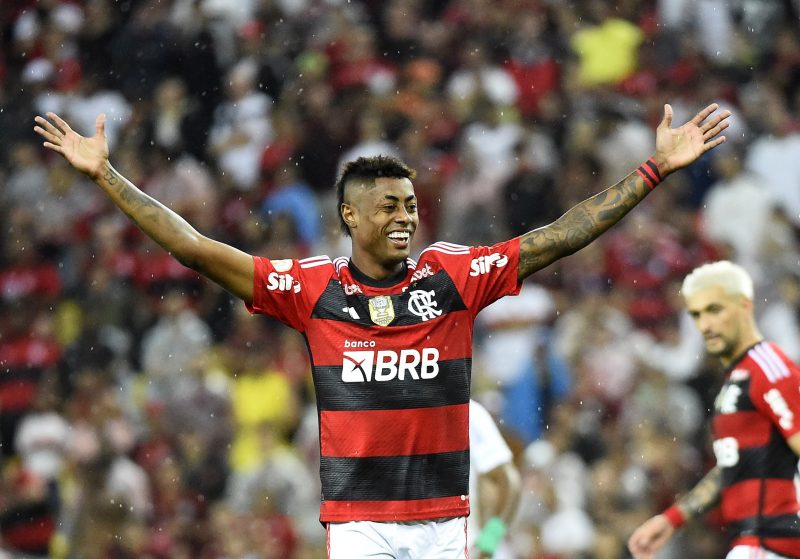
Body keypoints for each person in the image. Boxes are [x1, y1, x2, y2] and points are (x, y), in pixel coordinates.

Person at [33, 102, 729, 558]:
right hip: (359, 520)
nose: (406, 216)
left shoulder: (451, 276)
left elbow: (558, 237)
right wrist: (108, 177)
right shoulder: (311, 289)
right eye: (389, 206)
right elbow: (194, 248)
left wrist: (651, 171)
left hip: (442, 521)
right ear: (351, 218)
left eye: (411, 205)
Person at [628, 261, 800, 559]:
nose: (705, 325)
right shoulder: (735, 380)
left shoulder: (769, 370)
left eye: (715, 310)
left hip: (773, 544)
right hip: (753, 543)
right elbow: (736, 465)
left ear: (744, 306)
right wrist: (674, 518)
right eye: (696, 314)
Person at [468, 399, 521, 559]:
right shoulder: (392, 407)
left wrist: (490, 539)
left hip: (468, 549)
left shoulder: (468, 412)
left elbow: (510, 481)